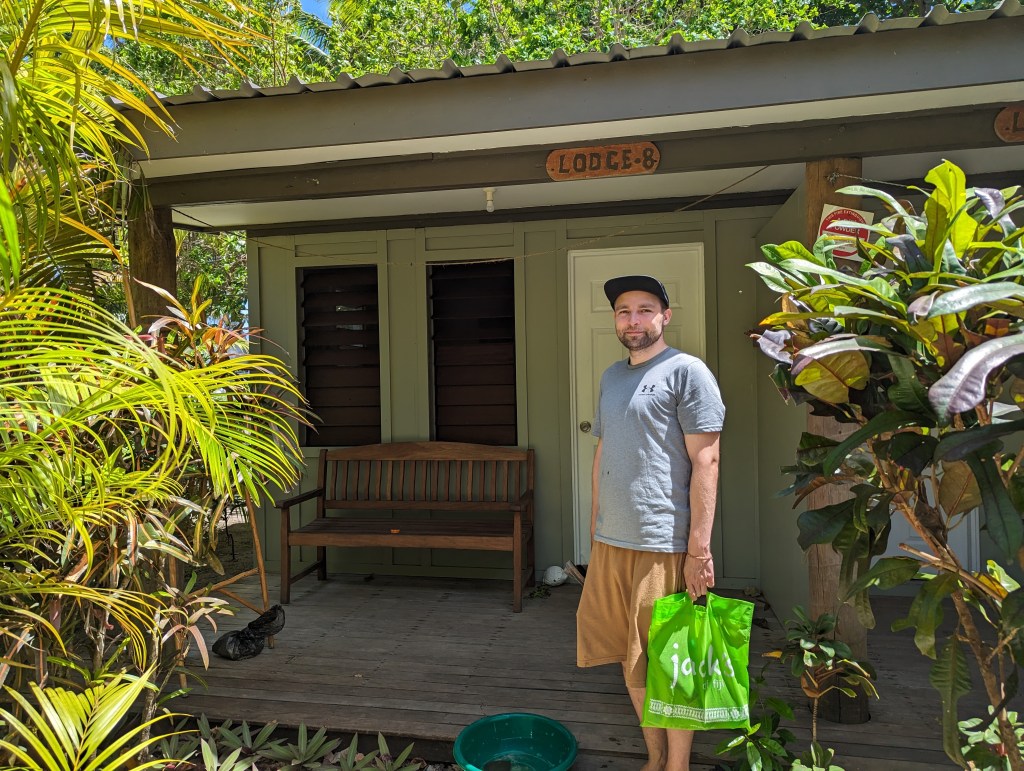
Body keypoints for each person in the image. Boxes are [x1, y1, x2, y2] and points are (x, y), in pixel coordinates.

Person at [576, 274, 725, 771]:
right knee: (630, 655)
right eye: (624, 311)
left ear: (665, 316)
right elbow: (604, 452)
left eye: (644, 309)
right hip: (612, 541)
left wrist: (699, 550)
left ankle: (678, 766)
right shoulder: (611, 377)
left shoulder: (688, 372)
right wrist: (595, 527)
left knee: (673, 663)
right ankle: (654, 756)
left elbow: (707, 461)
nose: (633, 319)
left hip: (665, 543)